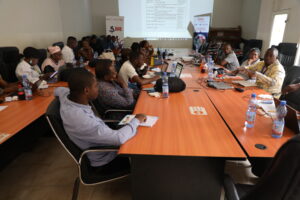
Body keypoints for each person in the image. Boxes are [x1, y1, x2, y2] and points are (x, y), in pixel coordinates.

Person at [55, 68, 146, 167]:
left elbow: (58, 90)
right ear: (86, 90)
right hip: (108, 158)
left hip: (105, 140)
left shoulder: (66, 96)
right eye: (96, 86)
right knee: (146, 144)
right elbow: (119, 138)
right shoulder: (82, 120)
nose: (99, 88)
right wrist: (137, 120)